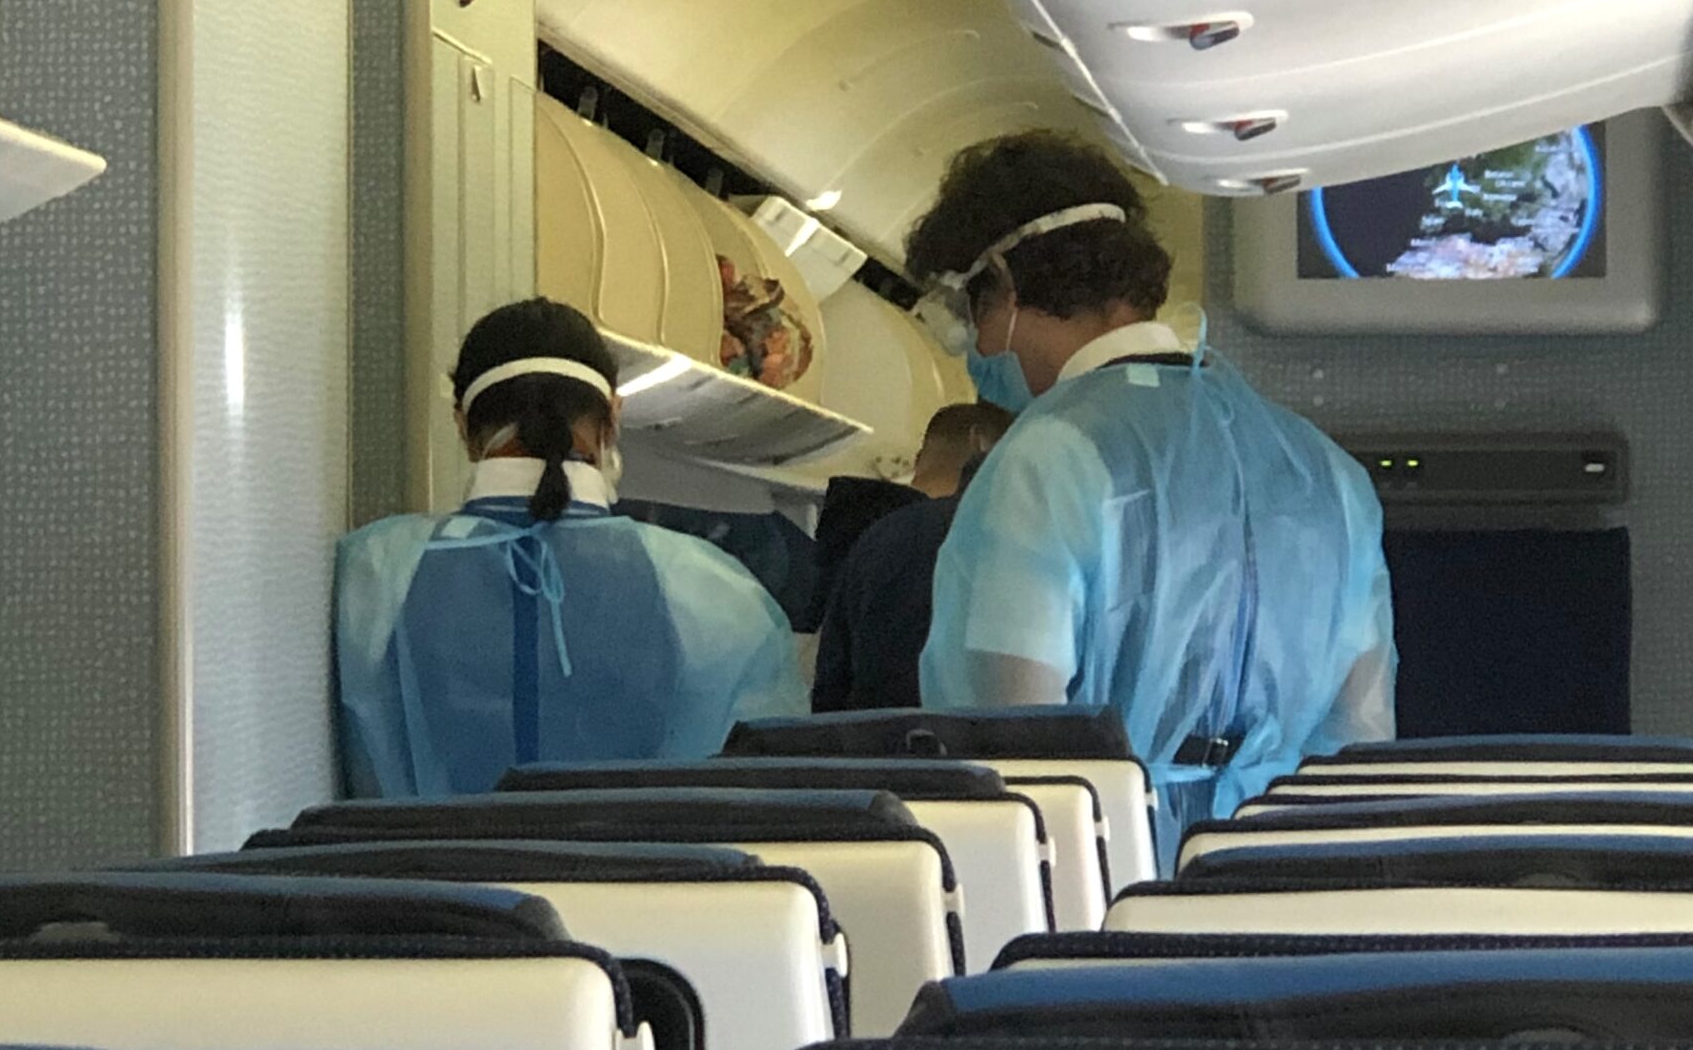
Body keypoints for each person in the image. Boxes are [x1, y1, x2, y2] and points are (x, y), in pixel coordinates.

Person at [906, 133, 1395, 860]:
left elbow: (1009, 747)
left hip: (1104, 877)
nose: (978, 350)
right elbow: (1358, 740)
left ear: (1003, 287)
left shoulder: (1048, 457)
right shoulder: (1326, 471)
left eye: (971, 317)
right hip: (1279, 871)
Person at [336, 298, 808, 796]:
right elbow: (763, 788)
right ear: (613, 416)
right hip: (644, 850)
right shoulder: (713, 591)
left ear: (462, 424)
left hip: (423, 850)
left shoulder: (375, 571)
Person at [813, 401, 1015, 711]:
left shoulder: (862, 536)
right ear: (981, 443)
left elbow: (830, 689)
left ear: (919, 460)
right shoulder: (984, 536)